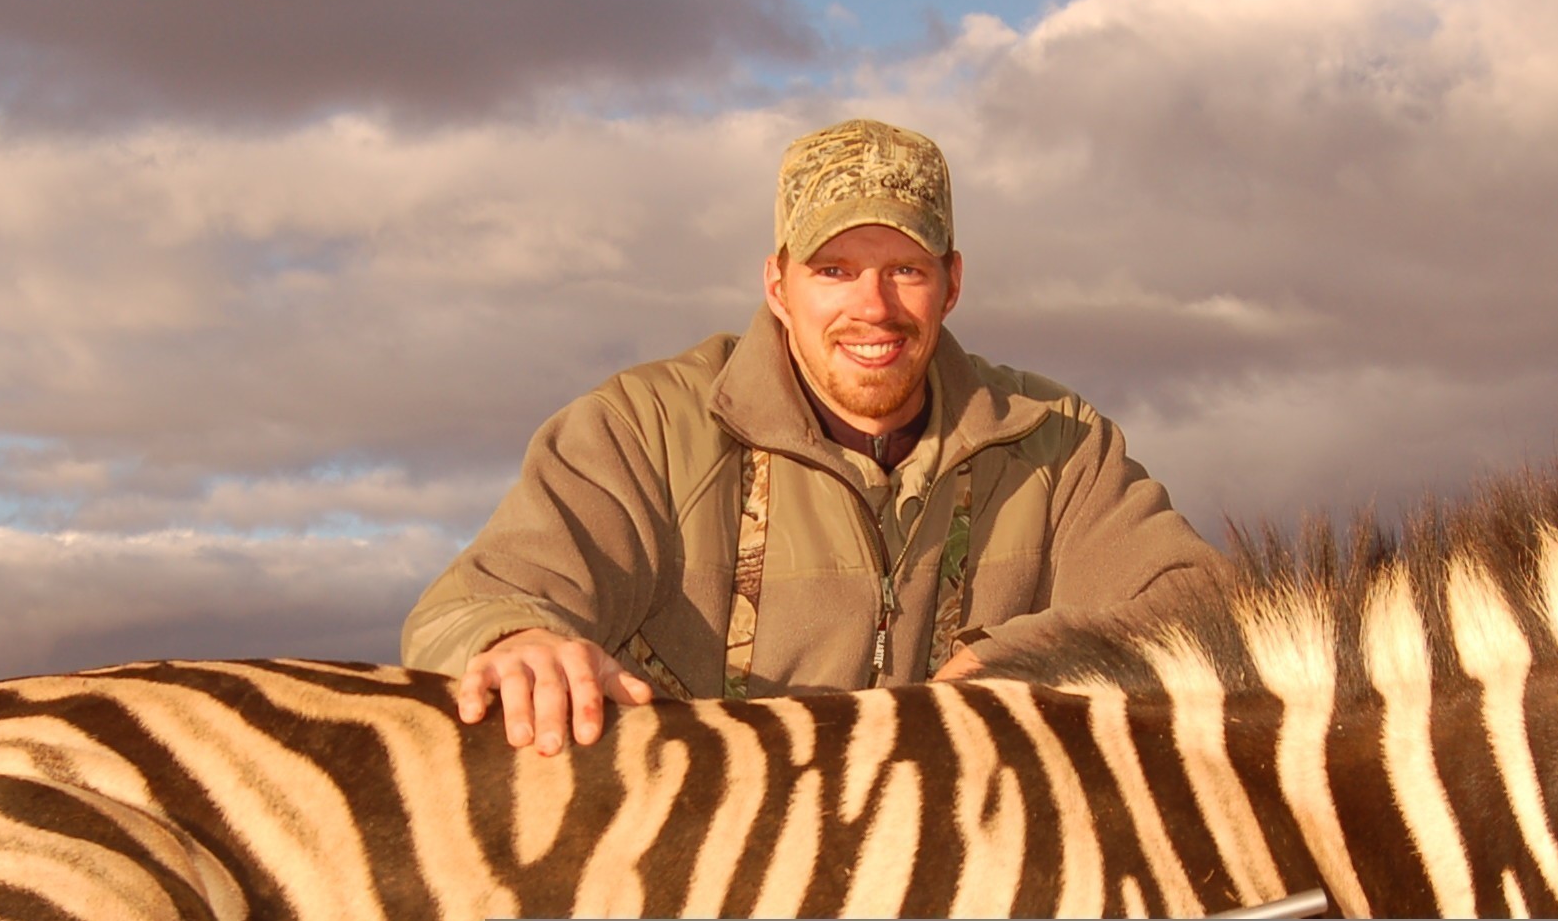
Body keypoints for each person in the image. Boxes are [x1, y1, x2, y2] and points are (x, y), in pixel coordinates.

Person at [402, 117, 1228, 752]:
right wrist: (522, 640)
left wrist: (1019, 656)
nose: (873, 307)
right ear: (777, 284)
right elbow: (473, 604)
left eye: (906, 268)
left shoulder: (1055, 440)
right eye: (833, 271)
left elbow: (1203, 599)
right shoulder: (644, 426)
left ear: (952, 285)